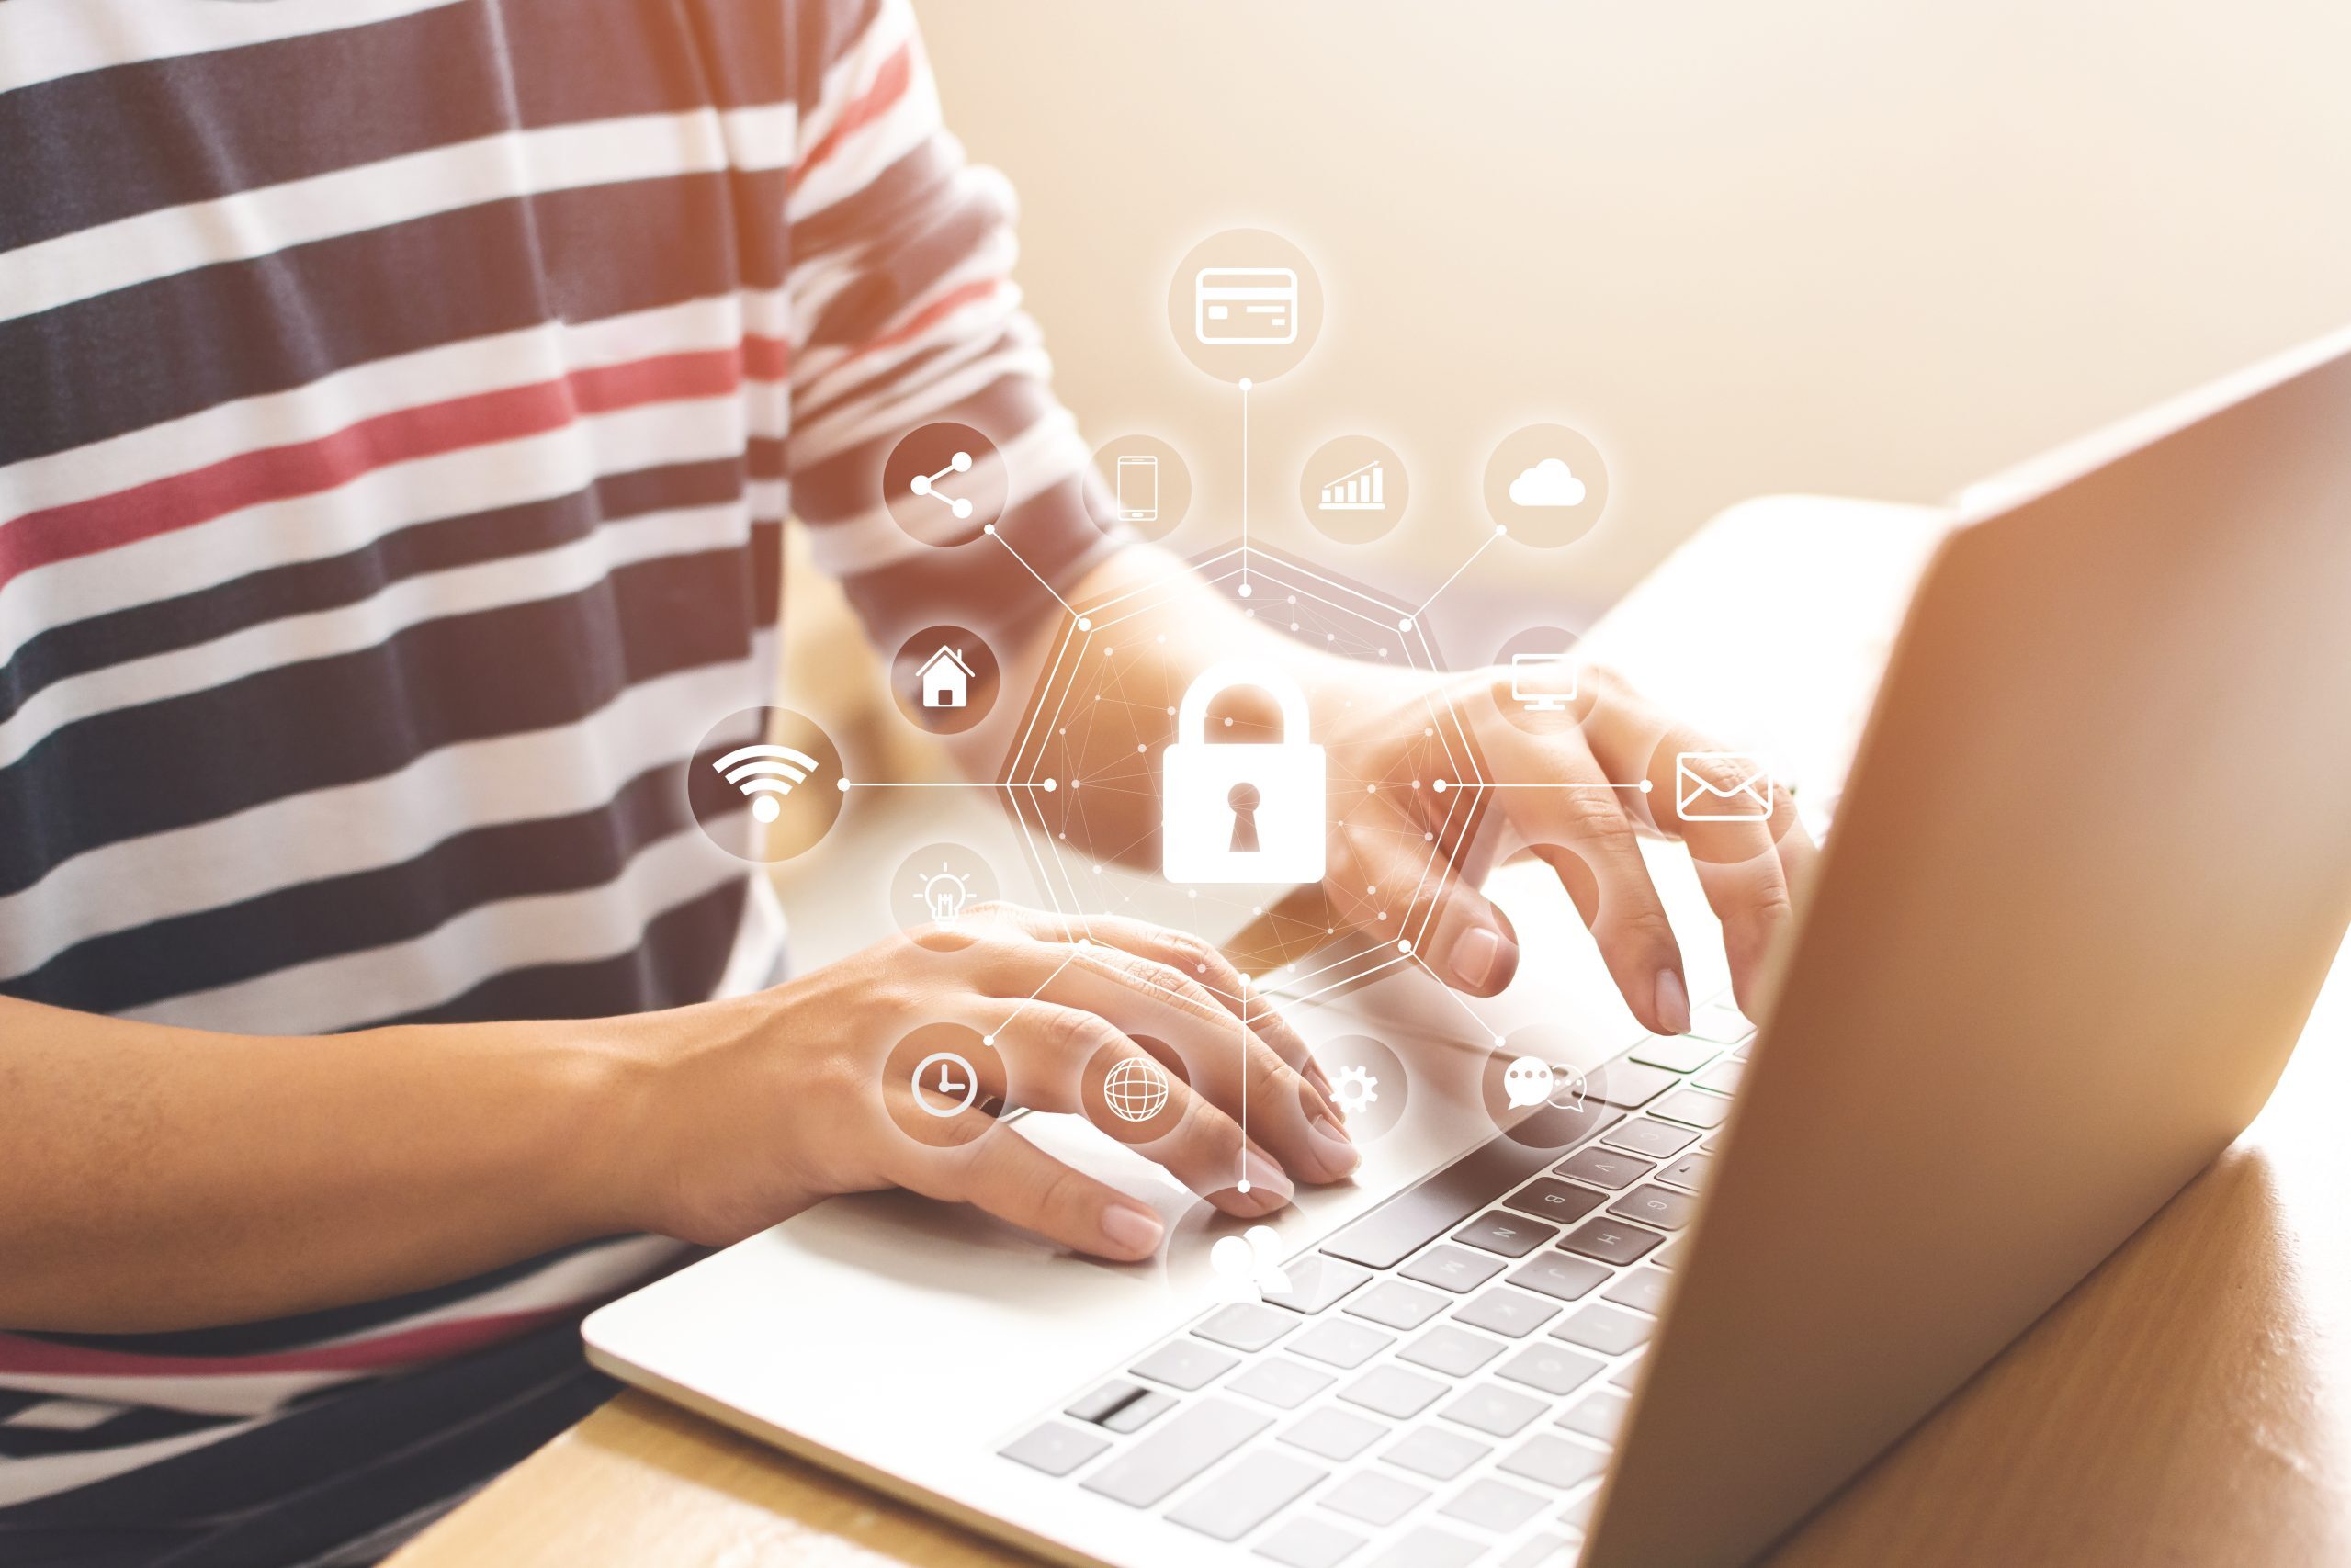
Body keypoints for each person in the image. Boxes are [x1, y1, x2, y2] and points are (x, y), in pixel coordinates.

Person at [0, 2, 1814, 1561]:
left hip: (750, 1317)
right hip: (182, 1485)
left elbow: (1022, 613)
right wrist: (668, 1099)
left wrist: (1340, 747)